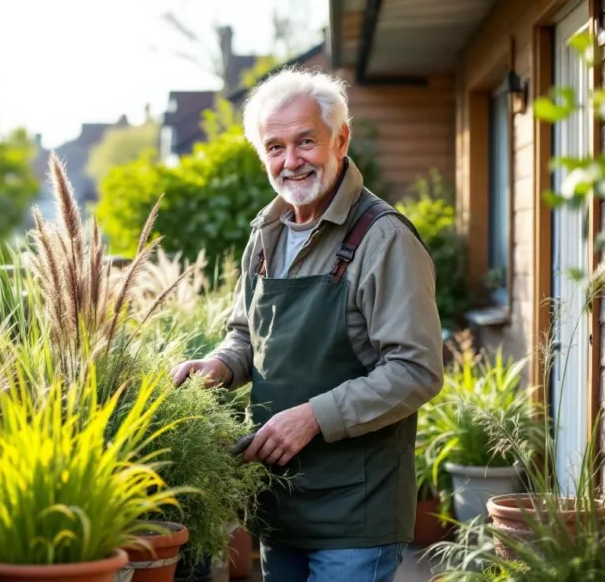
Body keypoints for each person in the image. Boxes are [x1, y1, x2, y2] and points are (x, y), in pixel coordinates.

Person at [170, 68, 444, 581]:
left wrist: (313, 417)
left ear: (341, 139)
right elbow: (246, 335)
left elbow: (417, 369)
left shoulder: (383, 239)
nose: (290, 161)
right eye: (275, 147)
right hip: (281, 503)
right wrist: (219, 368)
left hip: (356, 513)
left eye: (305, 142)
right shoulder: (266, 233)